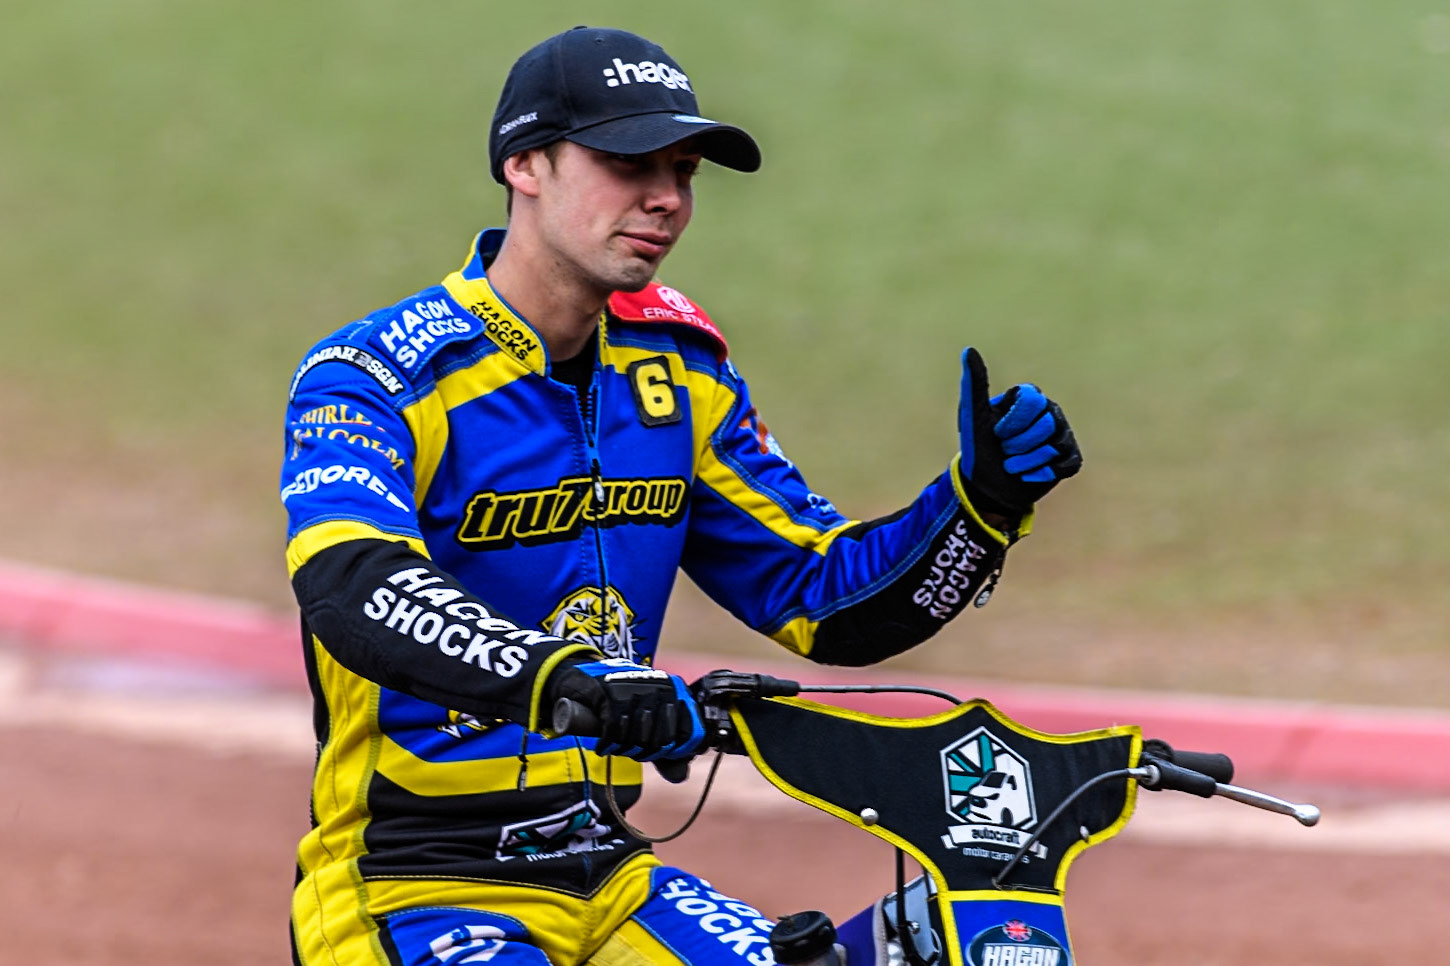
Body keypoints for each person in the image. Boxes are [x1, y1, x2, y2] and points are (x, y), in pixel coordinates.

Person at [279, 25, 1081, 966]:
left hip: (612, 870)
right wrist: (573, 680)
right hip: (409, 878)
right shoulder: (376, 376)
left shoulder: (680, 374)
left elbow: (825, 603)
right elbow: (353, 587)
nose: (666, 198)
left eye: (685, 169)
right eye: (629, 163)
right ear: (524, 163)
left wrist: (978, 508)